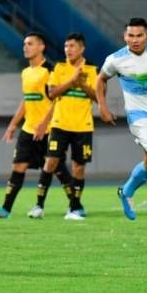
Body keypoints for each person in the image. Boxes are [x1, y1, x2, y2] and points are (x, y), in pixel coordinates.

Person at [0, 32, 74, 219]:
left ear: (41, 47)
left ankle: (75, 205)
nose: (25, 47)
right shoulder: (26, 72)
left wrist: (44, 123)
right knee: (18, 166)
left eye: (30, 44)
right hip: (28, 129)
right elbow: (27, 100)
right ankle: (5, 209)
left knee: (57, 169)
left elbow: (59, 100)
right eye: (25, 44)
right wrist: (13, 125)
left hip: (49, 130)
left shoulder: (50, 71)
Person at [97, 18, 147, 220]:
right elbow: (100, 79)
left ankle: (127, 190)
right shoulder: (116, 60)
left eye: (139, 35)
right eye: (131, 35)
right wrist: (102, 107)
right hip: (140, 116)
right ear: (124, 37)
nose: (135, 40)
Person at [41, 33, 97, 220]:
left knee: (78, 167)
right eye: (66, 46)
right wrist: (72, 82)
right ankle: (39, 205)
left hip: (83, 126)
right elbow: (51, 93)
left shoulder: (92, 70)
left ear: (82, 49)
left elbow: (99, 97)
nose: (68, 49)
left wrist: (83, 85)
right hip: (60, 124)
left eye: (72, 46)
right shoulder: (59, 68)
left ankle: (73, 208)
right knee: (51, 161)